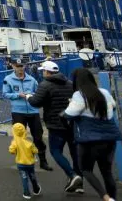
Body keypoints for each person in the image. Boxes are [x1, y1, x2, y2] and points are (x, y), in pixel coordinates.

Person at [64, 68, 122, 201]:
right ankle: (113, 198)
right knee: (107, 172)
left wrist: (69, 106)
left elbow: (69, 114)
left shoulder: (79, 95)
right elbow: (112, 107)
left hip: (89, 140)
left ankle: (106, 198)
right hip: (109, 138)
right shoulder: (104, 92)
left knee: (86, 169)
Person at [26, 60, 83, 193]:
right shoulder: (69, 83)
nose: (43, 73)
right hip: (71, 122)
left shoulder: (45, 85)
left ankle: (72, 175)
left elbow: (36, 102)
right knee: (75, 153)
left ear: (47, 72)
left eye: (43, 71)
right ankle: (79, 184)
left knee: (56, 151)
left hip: (55, 124)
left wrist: (29, 96)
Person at [4, 59, 51, 171]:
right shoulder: (8, 79)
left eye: (21, 66)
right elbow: (6, 93)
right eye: (17, 66)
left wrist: (31, 94)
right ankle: (21, 160)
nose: (20, 68)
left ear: (24, 66)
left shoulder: (32, 79)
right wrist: (17, 95)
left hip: (33, 111)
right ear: (13, 66)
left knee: (38, 137)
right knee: (19, 138)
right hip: (18, 111)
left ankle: (43, 161)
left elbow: (38, 92)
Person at [9, 123, 42, 200]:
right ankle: (36, 189)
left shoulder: (15, 142)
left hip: (20, 164)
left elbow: (11, 151)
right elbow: (35, 150)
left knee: (24, 178)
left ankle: (26, 193)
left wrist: (14, 150)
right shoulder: (29, 143)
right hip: (30, 164)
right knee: (32, 176)